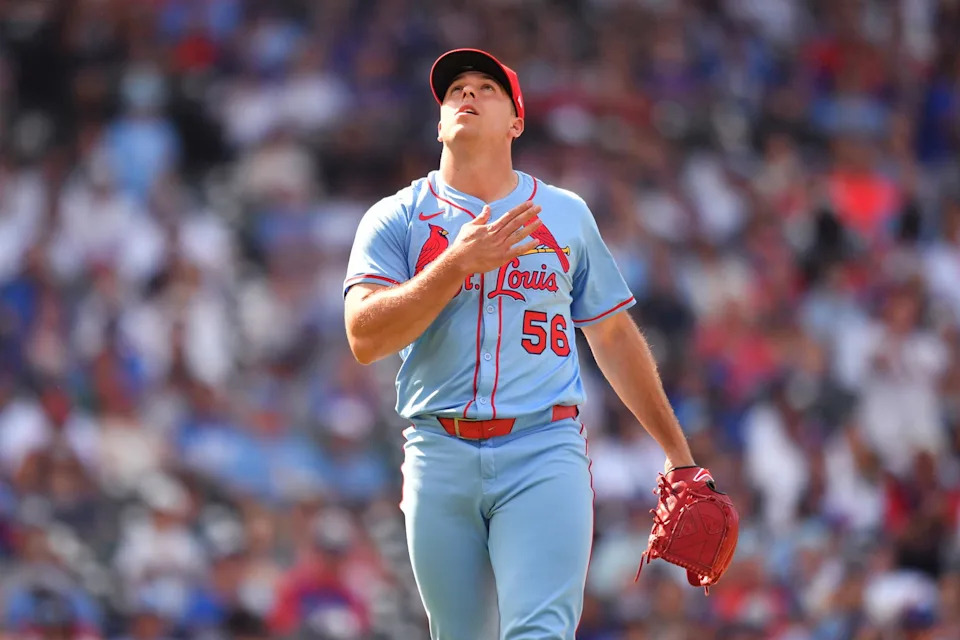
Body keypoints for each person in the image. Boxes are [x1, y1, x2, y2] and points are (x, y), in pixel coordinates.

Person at [343, 48, 697, 640]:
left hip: (542, 445)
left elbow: (610, 332)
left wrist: (679, 455)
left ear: (516, 121)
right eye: (456, 89)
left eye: (487, 87)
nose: (468, 95)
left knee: (538, 633)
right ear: (438, 122)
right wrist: (456, 264)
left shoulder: (563, 214)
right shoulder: (396, 218)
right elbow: (363, 336)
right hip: (438, 449)